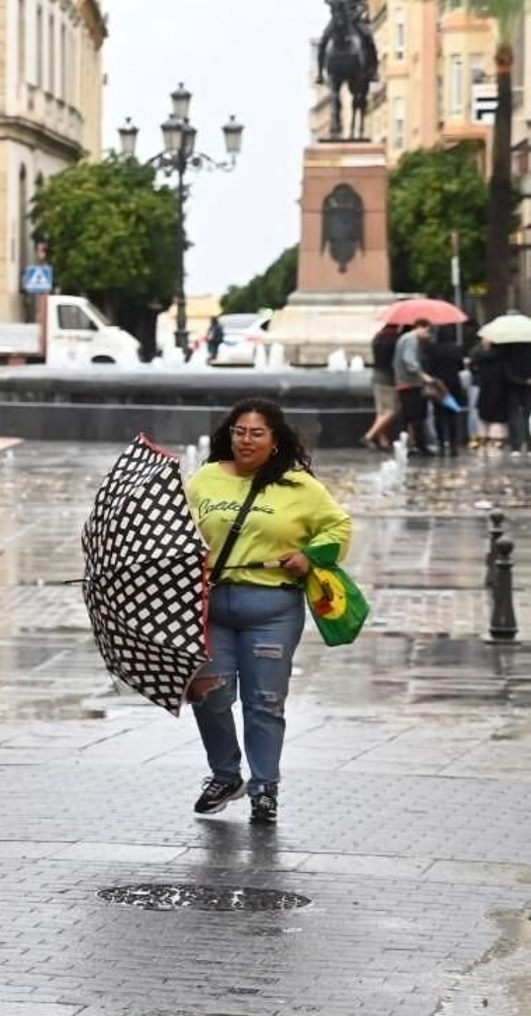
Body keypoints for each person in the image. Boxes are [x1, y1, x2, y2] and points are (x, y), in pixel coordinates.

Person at [186, 398, 351, 826]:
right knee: (209, 694)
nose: (246, 440)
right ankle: (225, 775)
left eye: (257, 433)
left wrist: (310, 556)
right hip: (211, 609)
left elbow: (339, 527)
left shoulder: (299, 486)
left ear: (275, 440)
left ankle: (264, 787)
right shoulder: (205, 478)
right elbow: (180, 529)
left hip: (272, 608)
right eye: (240, 431)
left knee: (264, 701)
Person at [392, 319, 436, 456]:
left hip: (402, 382)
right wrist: (422, 375)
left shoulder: (404, 338)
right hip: (411, 383)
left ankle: (403, 445)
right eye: (427, 331)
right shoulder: (411, 339)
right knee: (417, 416)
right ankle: (420, 445)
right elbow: (409, 360)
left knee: (405, 417)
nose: (428, 336)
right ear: (419, 327)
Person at [423, 327, 468, 457]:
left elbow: (428, 367)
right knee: (452, 415)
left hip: (438, 386)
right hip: (454, 384)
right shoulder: (456, 348)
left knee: (438, 415)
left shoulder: (432, 349)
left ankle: (442, 444)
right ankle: (454, 446)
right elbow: (461, 366)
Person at [363, 325, 400, 451]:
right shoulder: (394, 340)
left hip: (376, 376)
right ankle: (369, 436)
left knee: (382, 412)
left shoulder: (378, 338)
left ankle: (383, 442)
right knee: (392, 410)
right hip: (388, 379)